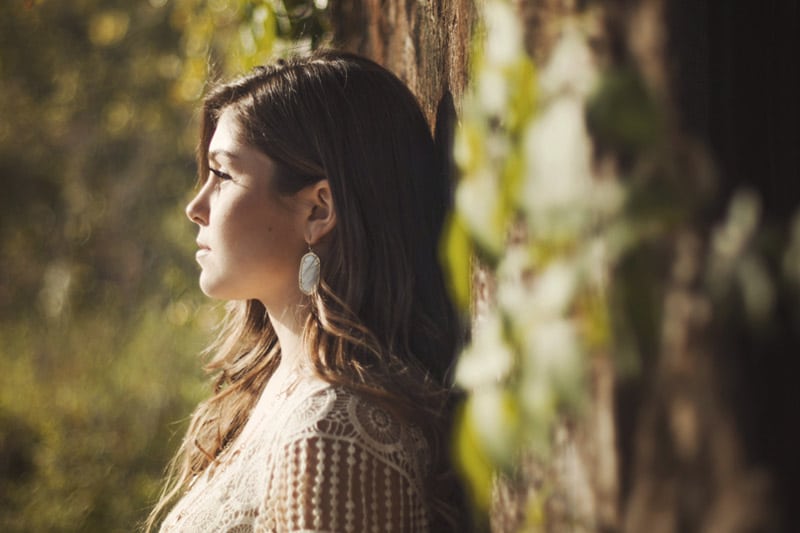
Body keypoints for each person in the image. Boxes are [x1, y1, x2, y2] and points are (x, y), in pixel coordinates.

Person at [146, 50, 463, 532]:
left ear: (318, 211)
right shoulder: (272, 393)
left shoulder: (334, 433)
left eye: (223, 174)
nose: (196, 205)